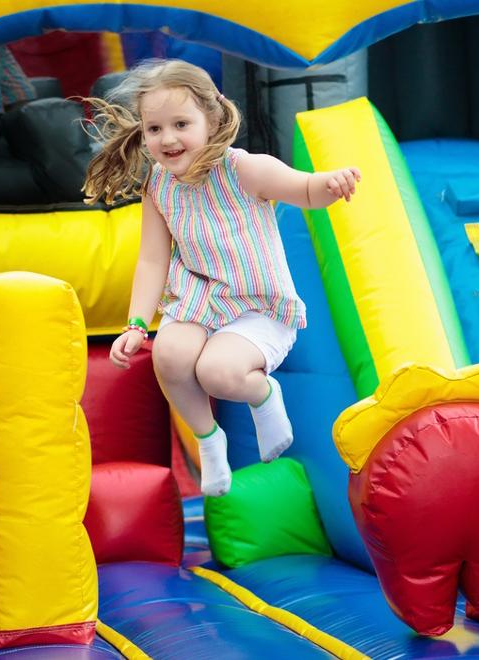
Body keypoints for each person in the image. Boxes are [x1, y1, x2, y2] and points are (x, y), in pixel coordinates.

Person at [82, 59, 360, 497]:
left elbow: (304, 189)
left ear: (210, 119)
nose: (168, 139)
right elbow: (153, 261)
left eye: (180, 124)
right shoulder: (159, 185)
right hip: (198, 301)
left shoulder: (243, 169)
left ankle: (263, 395)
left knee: (217, 373)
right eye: (154, 129)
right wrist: (135, 324)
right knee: (169, 356)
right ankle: (210, 442)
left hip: (257, 305)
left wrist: (333, 182)